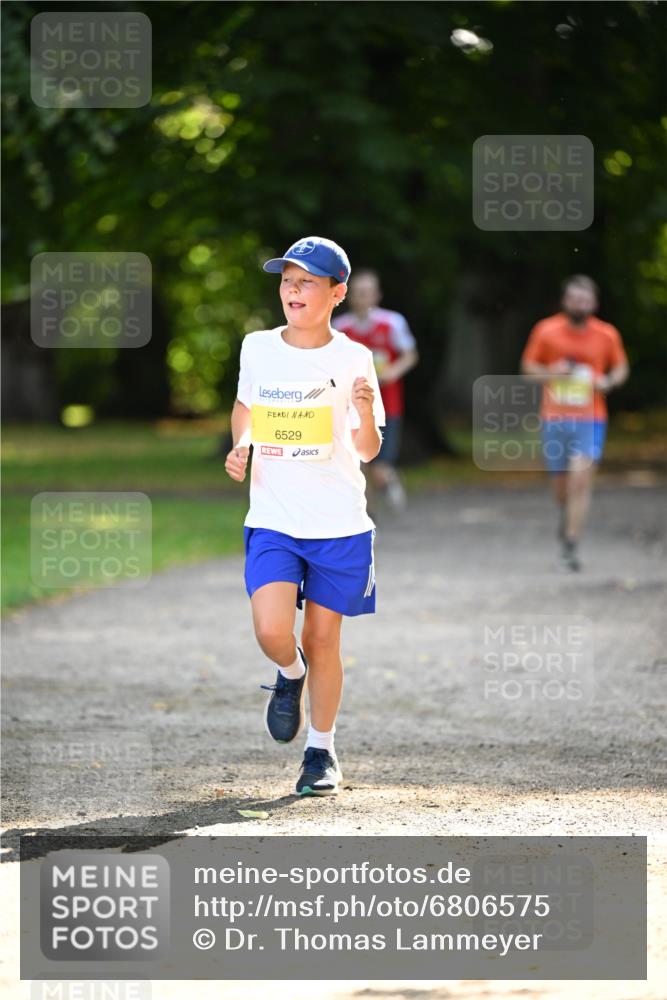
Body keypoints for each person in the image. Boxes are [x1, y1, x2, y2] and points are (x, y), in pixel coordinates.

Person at [224, 237, 385, 796]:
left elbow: (366, 450)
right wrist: (242, 443)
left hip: (338, 524)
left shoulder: (353, 358)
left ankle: (321, 753)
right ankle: (288, 677)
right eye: (288, 280)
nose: (293, 290)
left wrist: (364, 411)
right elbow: (246, 407)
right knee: (273, 630)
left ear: (337, 293)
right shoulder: (257, 347)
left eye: (307, 281)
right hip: (273, 516)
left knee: (322, 639)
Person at [521, 275, 629, 571]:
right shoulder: (546, 330)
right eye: (572, 298)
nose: (578, 304)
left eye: (584, 299)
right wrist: (552, 372)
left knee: (581, 479)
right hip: (554, 417)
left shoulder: (606, 334)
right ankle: (567, 518)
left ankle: (571, 542)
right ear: (564, 301)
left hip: (591, 418)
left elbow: (620, 367)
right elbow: (528, 369)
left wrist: (608, 380)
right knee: (562, 486)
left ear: (593, 303)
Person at [333, 270, 418, 510]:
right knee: (357, 464)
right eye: (357, 292)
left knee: (379, 467)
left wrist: (392, 372)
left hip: (387, 404)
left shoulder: (392, 322)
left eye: (367, 292)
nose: (362, 297)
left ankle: (389, 480)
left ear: (377, 295)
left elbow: (410, 355)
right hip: (351, 406)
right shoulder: (340, 327)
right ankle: (365, 515)